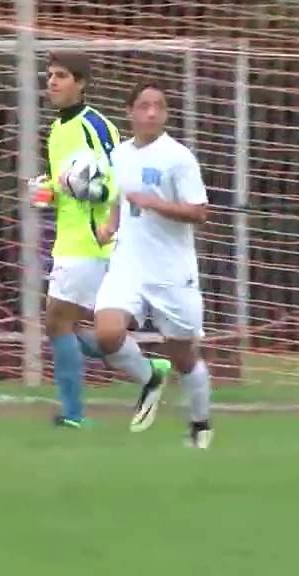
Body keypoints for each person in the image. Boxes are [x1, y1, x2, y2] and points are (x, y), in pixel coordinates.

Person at [92, 82, 213, 447]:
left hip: (171, 272)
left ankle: (199, 424)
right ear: (130, 112)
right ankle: (149, 378)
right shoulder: (121, 154)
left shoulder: (178, 157)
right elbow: (119, 196)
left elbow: (199, 212)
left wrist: (156, 203)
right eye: (144, 106)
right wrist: (109, 224)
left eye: (158, 106)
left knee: (183, 356)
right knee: (107, 334)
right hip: (128, 264)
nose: (151, 113)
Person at [27, 50, 120, 428]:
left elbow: (117, 181)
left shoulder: (95, 126)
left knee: (57, 323)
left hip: (91, 240)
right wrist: (48, 189)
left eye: (61, 76)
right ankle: (147, 366)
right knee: (69, 326)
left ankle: (73, 413)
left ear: (80, 83)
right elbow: (69, 181)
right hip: (67, 239)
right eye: (49, 75)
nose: (52, 82)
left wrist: (88, 192)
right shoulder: (57, 129)